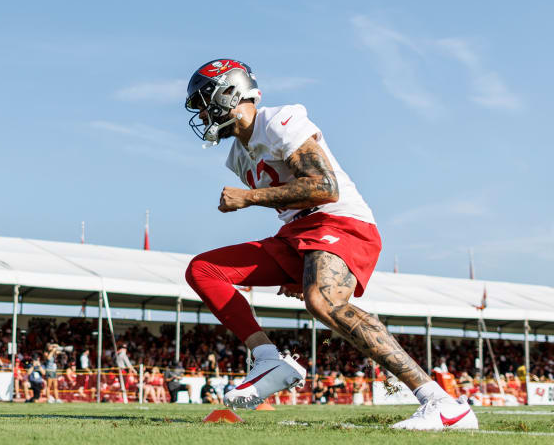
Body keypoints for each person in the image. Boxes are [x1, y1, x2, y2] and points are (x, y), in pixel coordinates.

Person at [182, 59, 477, 430]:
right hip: (298, 234)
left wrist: (249, 199)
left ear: (230, 92)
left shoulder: (277, 121)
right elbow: (289, 207)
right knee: (204, 270)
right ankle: (268, 357)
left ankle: (442, 403)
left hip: (340, 220)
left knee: (323, 302)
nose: (205, 114)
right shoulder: (238, 156)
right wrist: (297, 266)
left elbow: (325, 187)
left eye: (205, 102)